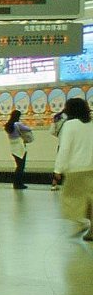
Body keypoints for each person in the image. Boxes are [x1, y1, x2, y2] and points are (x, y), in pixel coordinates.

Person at [52, 98, 93, 241]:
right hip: (91, 167)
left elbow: (65, 149)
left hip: (76, 169)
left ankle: (81, 222)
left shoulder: (70, 125)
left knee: (71, 200)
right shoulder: (91, 124)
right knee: (90, 199)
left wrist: (58, 170)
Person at [4, 109, 33, 189]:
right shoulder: (17, 124)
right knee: (21, 166)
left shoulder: (8, 125)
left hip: (13, 146)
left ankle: (16, 183)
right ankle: (19, 183)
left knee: (18, 166)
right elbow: (28, 129)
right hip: (20, 146)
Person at [50, 110, 68, 191]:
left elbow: (52, 131)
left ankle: (54, 184)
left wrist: (60, 136)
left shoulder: (57, 117)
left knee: (59, 163)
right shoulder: (75, 118)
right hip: (73, 145)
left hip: (61, 144)